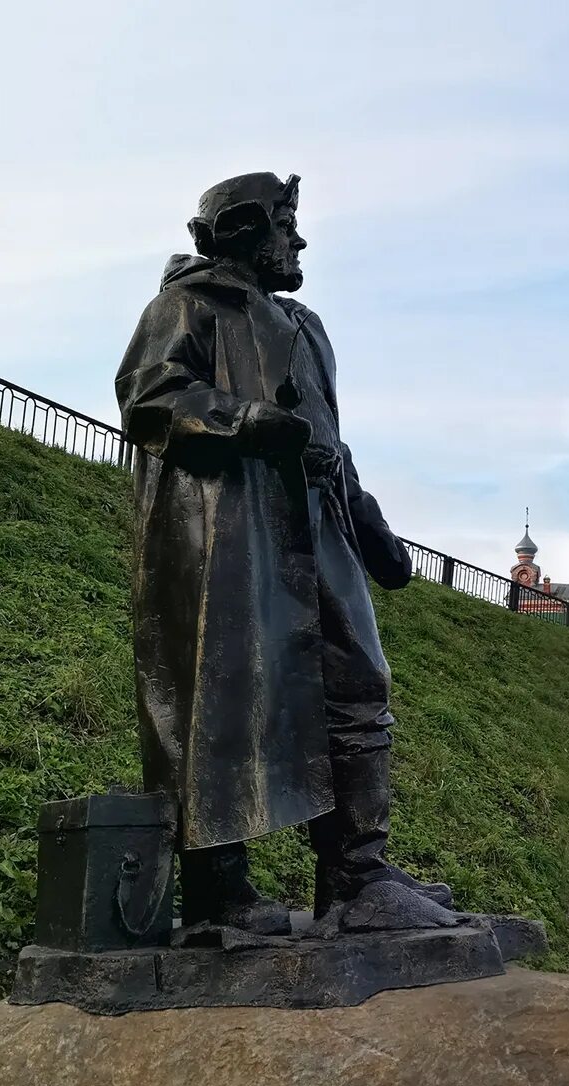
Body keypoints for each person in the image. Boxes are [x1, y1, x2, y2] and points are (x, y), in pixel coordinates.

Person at [116, 172, 456, 933]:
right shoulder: (188, 305)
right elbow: (150, 397)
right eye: (285, 224)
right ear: (241, 231)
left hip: (320, 530)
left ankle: (357, 877)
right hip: (234, 532)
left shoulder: (305, 327)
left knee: (359, 683)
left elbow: (331, 439)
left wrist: (371, 528)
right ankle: (217, 892)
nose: (298, 240)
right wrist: (250, 422)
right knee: (223, 693)